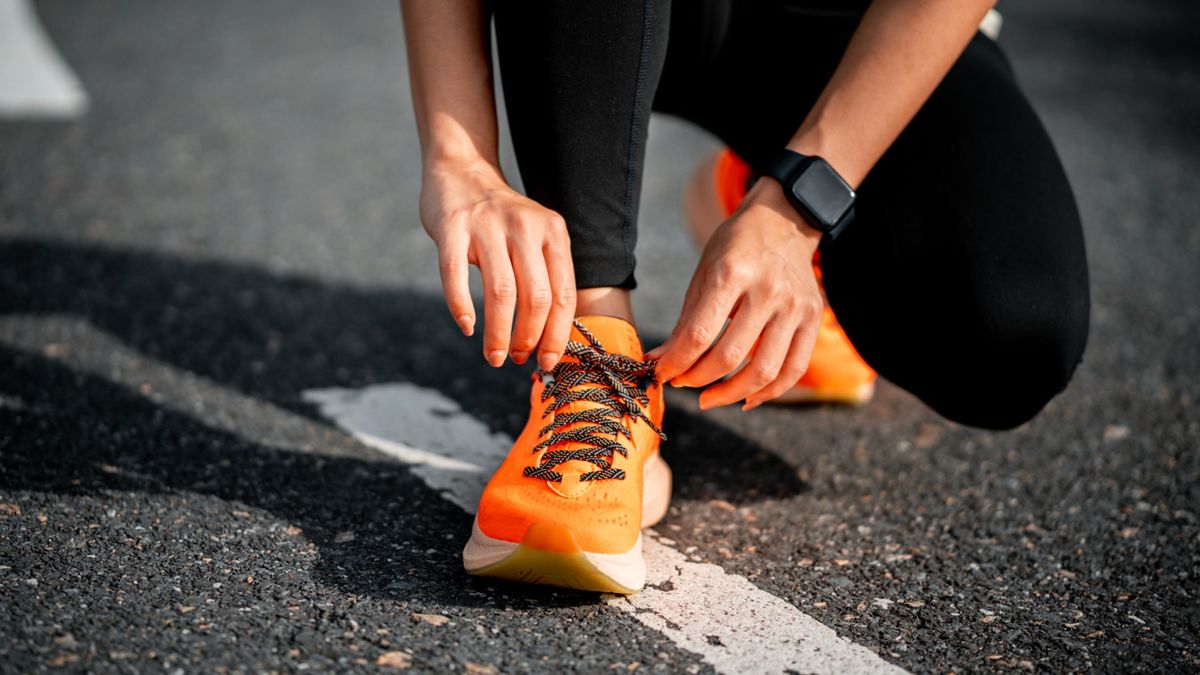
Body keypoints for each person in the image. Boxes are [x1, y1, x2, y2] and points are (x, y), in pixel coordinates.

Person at [400, 0, 1090, 593]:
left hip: (858, 31)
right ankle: (596, 355)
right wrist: (458, 156)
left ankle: (765, 208)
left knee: (1009, 334)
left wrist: (796, 210)